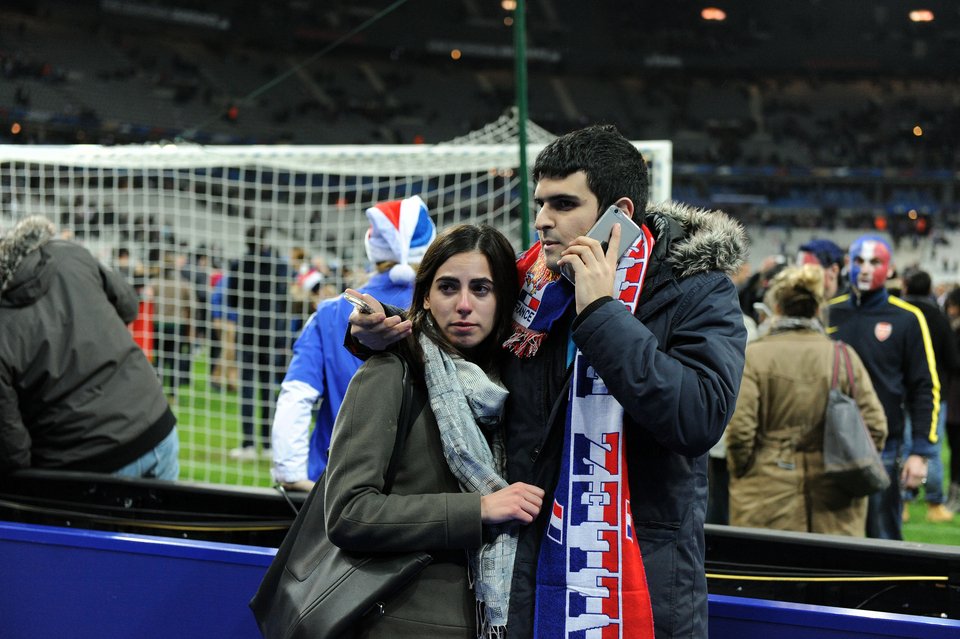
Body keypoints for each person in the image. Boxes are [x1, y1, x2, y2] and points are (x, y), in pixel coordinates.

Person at [347, 124, 749, 638]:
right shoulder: (534, 286)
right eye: (540, 203)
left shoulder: (694, 290)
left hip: (640, 576)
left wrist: (602, 311)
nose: (541, 221)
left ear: (618, 215)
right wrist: (378, 337)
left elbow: (698, 418)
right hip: (529, 569)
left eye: (562, 204)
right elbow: (453, 343)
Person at [324, 224, 544, 637]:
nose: (464, 305)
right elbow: (348, 514)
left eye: (481, 289)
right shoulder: (392, 372)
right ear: (425, 295)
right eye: (447, 287)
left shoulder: (513, 384)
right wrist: (478, 509)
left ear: (504, 301)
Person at [272, 196, 436, 491]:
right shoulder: (444, 310)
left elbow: (296, 397)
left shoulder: (330, 312)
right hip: (418, 492)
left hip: (333, 483)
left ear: (373, 249)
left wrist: (291, 474)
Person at [0, 216, 179, 479]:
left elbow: (13, 451)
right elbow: (129, 305)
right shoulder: (69, 254)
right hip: (154, 426)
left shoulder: (66, 256)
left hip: (89, 460)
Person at [727, 264, 888, 535]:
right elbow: (876, 426)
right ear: (817, 309)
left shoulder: (755, 356)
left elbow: (740, 432)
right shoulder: (843, 356)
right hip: (836, 502)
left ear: (777, 308)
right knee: (827, 575)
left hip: (765, 499)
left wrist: (748, 472)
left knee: (772, 575)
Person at [825, 235, 941, 540]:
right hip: (829, 442)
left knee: (882, 537)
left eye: (874, 262)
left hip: (883, 448)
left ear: (889, 270)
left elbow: (924, 387)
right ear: (847, 264)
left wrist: (921, 452)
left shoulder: (908, 318)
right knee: (830, 537)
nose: (864, 269)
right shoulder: (829, 312)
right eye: (858, 261)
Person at [899, 269, 959, 523]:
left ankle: (902, 503)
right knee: (931, 448)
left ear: (905, 286)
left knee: (902, 446)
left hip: (901, 391)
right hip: (935, 392)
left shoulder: (898, 314)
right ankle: (935, 503)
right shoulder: (938, 317)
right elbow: (953, 360)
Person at [227, 226, 290, 460]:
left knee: (248, 387)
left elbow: (232, 300)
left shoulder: (240, 265)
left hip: (249, 330)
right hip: (272, 331)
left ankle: (248, 444)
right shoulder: (278, 265)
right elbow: (284, 301)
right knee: (268, 388)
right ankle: (269, 444)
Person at [944, 287, 960, 512]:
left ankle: (955, 495)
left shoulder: (955, 331)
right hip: (954, 397)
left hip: (956, 399)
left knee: (957, 449)